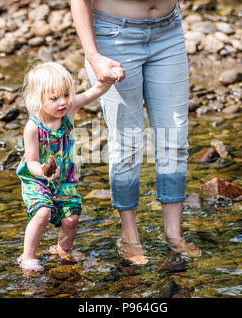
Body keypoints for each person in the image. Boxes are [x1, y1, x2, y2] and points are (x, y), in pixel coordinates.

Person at [71, 0, 201, 265]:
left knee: (174, 137)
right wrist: (94, 56)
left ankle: (173, 234)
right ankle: (130, 236)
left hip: (168, 31)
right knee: (128, 142)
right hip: (114, 36)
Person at [16, 61, 123, 271]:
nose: (63, 102)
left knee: (71, 218)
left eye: (66, 95)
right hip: (37, 178)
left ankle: (63, 249)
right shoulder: (32, 128)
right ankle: (27, 256)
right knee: (43, 213)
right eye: (54, 98)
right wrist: (45, 173)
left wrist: (111, 75)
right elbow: (31, 162)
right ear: (38, 99)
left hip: (64, 178)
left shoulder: (69, 111)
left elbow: (96, 91)